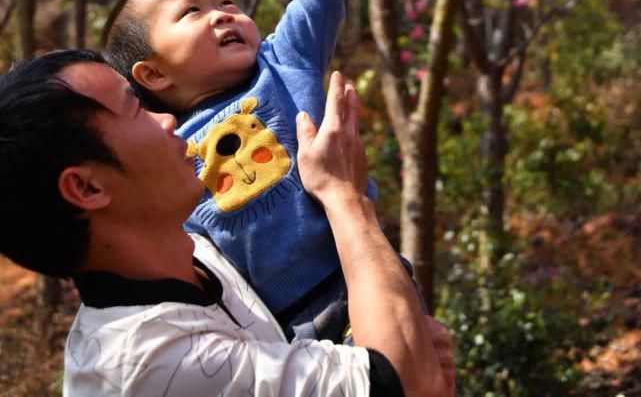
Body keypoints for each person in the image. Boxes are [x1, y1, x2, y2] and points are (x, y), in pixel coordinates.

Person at [0, 50, 454, 397]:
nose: (167, 122)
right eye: (135, 111)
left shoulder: (196, 251)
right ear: (87, 188)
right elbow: (407, 380)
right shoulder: (149, 363)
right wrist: (343, 195)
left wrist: (394, 344)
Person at [103, 0, 368, 340]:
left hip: (365, 265)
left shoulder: (285, 60)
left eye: (225, 1)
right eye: (192, 11)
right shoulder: (166, 148)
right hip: (277, 320)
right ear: (154, 72)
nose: (222, 15)